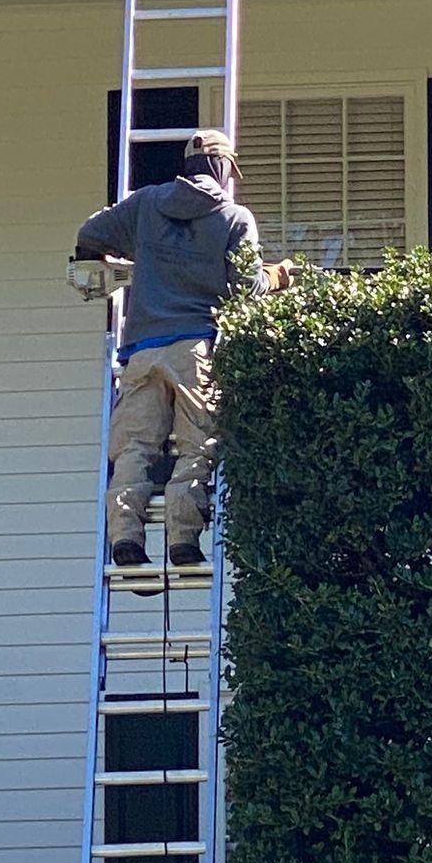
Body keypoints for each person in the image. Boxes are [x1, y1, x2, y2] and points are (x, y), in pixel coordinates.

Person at [73, 128, 286, 569]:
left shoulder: (147, 203)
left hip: (143, 348)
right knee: (197, 444)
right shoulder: (234, 217)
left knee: (134, 446)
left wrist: (113, 259)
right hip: (195, 349)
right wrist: (277, 276)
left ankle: (125, 537)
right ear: (224, 169)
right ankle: (183, 540)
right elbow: (247, 288)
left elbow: (91, 233)